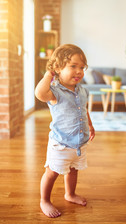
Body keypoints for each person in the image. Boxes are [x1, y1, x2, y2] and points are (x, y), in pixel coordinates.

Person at [35, 44, 95, 218]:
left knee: (73, 170)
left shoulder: (82, 91)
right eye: (73, 66)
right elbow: (39, 93)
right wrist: (49, 74)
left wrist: (90, 125)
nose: (79, 71)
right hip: (60, 144)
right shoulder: (55, 92)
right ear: (58, 68)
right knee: (52, 172)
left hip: (79, 143)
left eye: (82, 67)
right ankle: (44, 200)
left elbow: (83, 109)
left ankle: (70, 194)